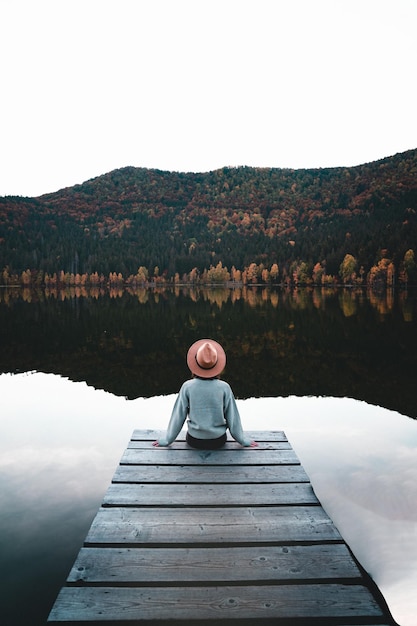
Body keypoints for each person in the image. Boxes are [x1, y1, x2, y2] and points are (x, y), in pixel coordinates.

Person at [153, 339, 258, 449]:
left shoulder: (187, 387)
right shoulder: (224, 387)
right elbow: (232, 417)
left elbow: (178, 416)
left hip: (195, 441)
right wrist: (242, 440)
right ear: (217, 365)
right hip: (218, 441)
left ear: (195, 364)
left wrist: (167, 439)